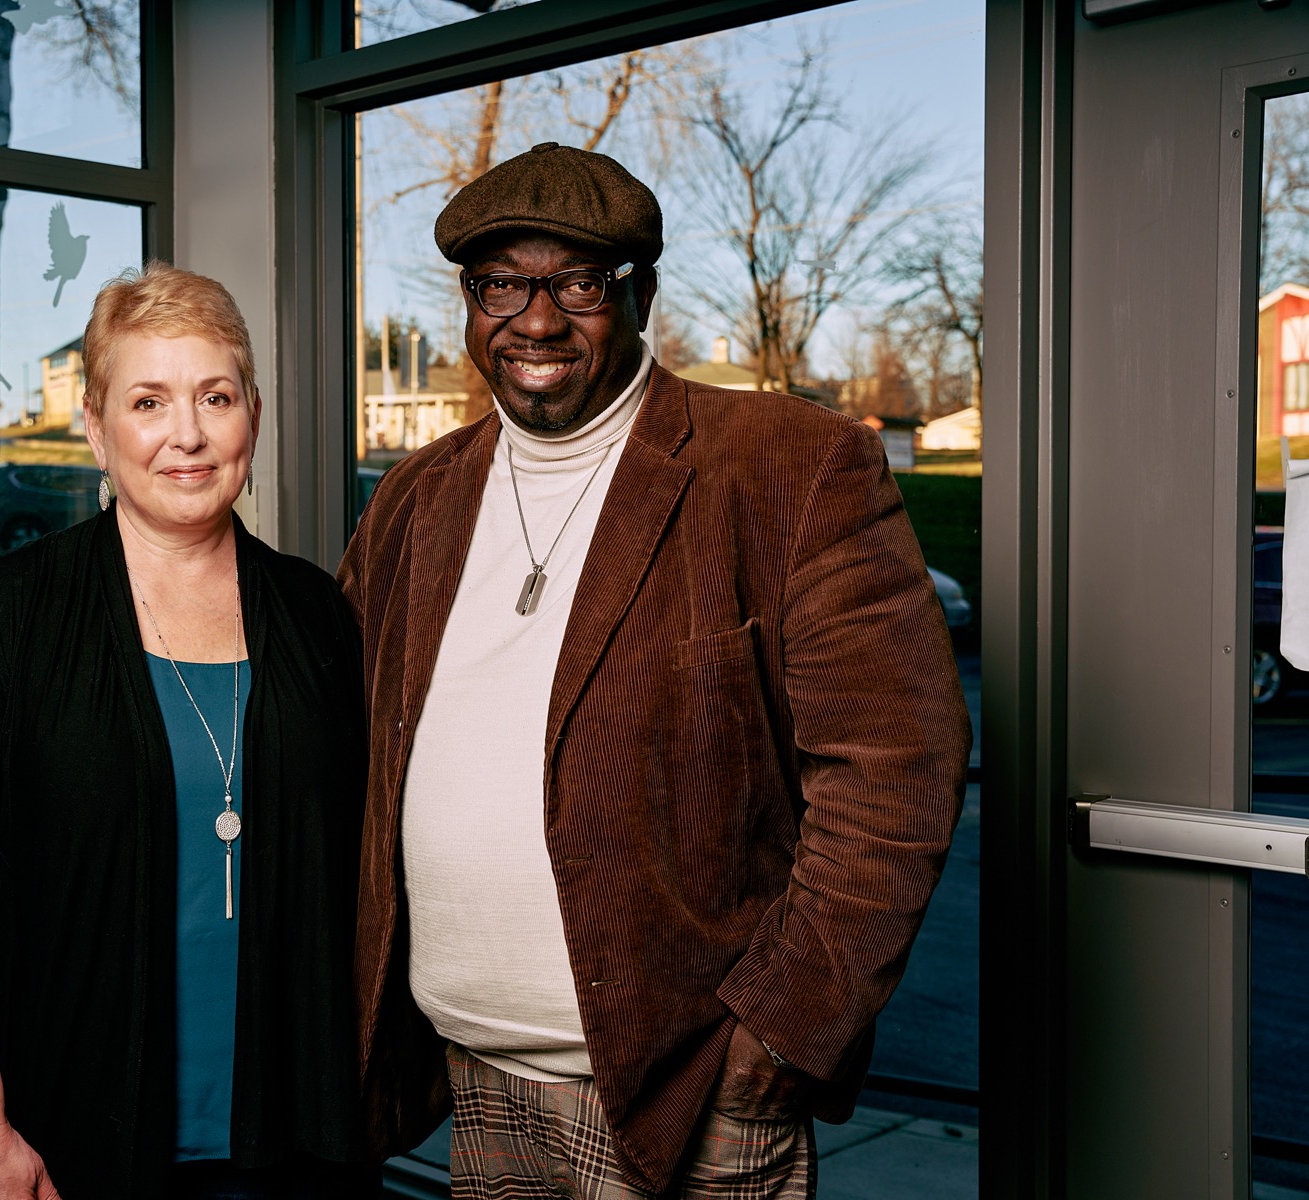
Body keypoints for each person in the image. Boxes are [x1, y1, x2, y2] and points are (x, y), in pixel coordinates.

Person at [339, 142, 972, 1199]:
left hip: (688, 1090)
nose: (535, 322)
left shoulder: (786, 465)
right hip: (475, 1081)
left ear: (641, 293)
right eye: (502, 284)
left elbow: (897, 772)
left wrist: (784, 1030)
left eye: (577, 284)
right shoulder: (416, 497)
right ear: (468, 298)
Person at [0, 263, 378, 1199]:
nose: (187, 435)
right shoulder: (11, 612)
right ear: (95, 426)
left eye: (215, 396)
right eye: (149, 401)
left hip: (294, 1143)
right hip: (61, 1140)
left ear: (255, 415)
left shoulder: (319, 613)